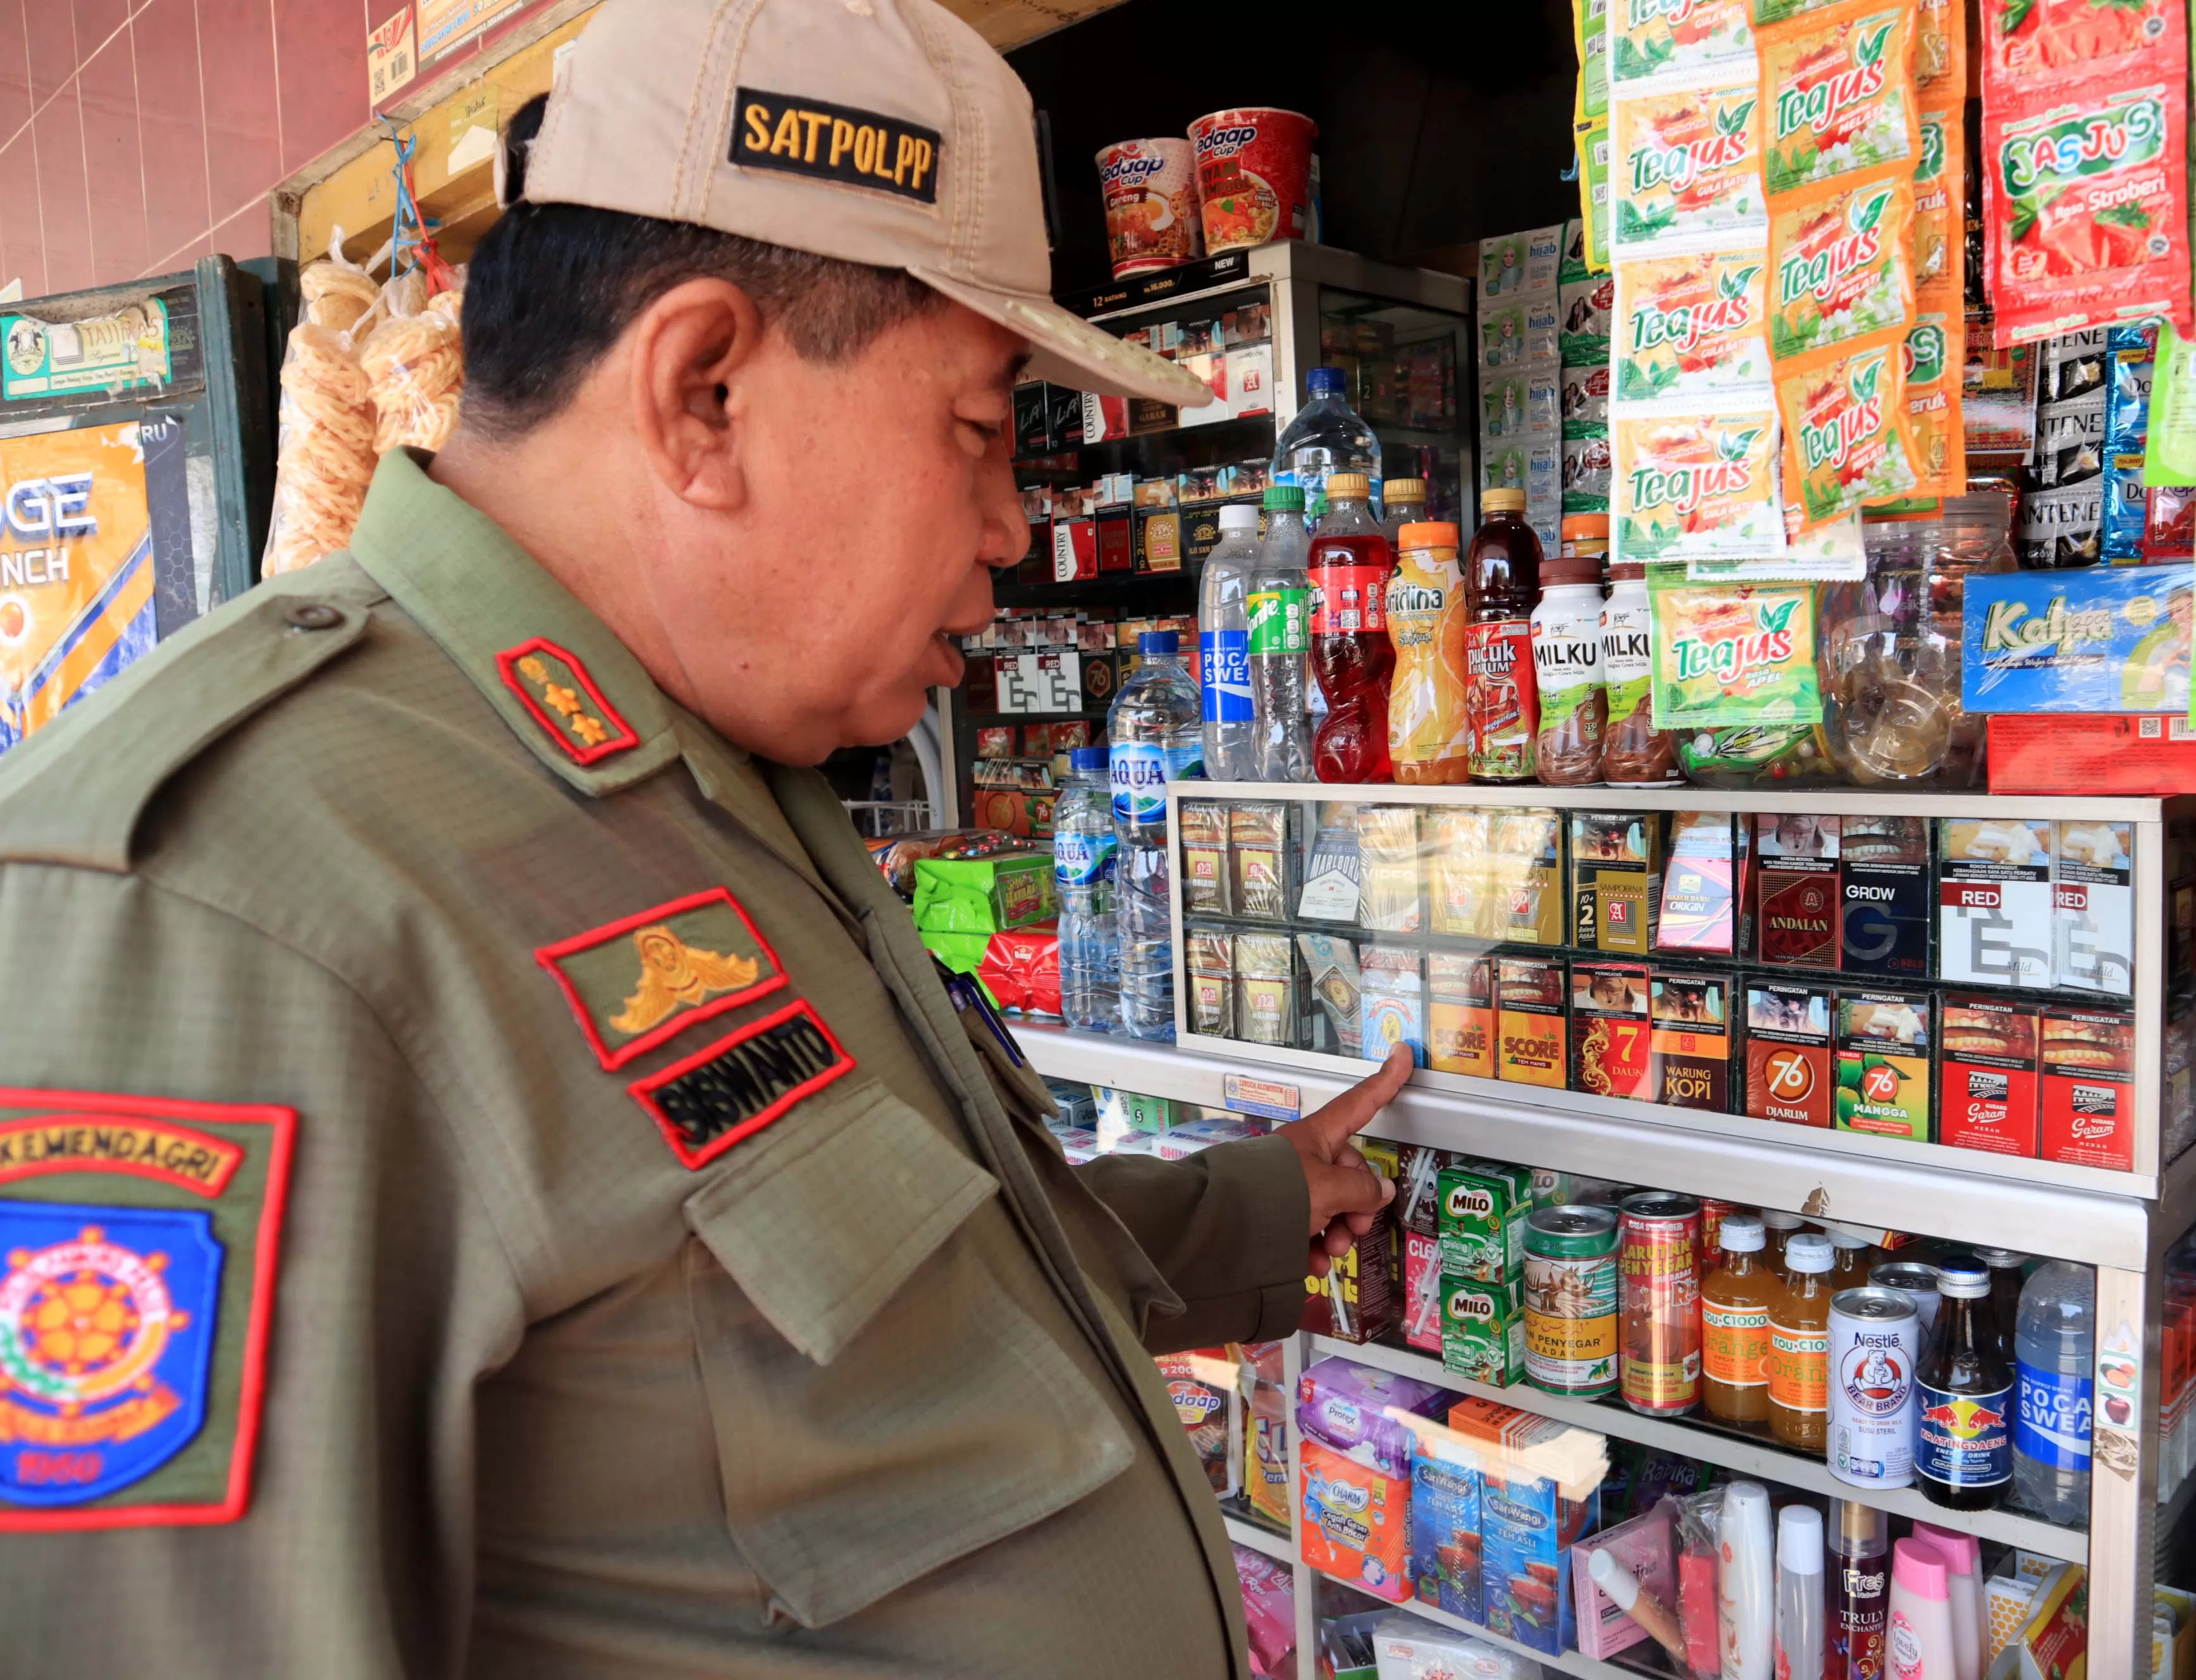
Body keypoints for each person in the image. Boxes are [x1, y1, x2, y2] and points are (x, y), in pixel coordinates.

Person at [0, 1, 1410, 1672]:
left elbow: (869, 1306)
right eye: (977, 426)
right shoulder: (231, 894)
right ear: (704, 390)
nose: (1012, 525)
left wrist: (1250, 1208)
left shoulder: (730, 777)